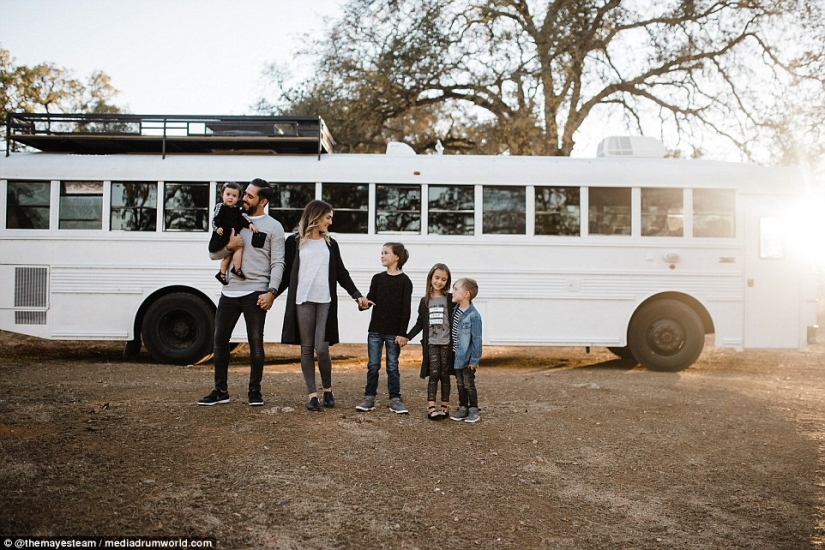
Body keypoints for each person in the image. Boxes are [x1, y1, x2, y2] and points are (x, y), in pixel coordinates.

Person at [198, 179, 285, 407]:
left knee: (256, 342)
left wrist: (272, 292)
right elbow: (213, 255)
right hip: (229, 291)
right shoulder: (229, 218)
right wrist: (231, 246)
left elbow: (278, 263)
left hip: (255, 292)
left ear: (263, 201)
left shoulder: (274, 227)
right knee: (219, 340)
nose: (243, 199)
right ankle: (221, 391)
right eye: (243, 194)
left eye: (249, 196)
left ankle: (254, 392)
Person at [277, 200, 368, 412]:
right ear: (316, 217)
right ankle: (312, 395)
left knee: (322, 347)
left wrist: (357, 295)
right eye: (328, 217)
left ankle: (327, 389)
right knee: (307, 349)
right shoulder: (295, 242)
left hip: (325, 300)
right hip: (303, 300)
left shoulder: (330, 244)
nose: (330, 221)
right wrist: (271, 293)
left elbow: (341, 273)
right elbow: (285, 274)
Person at [356, 243, 413, 414]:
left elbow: (406, 310)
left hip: (394, 333)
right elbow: (369, 301)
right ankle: (369, 398)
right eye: (381, 253)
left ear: (397, 257)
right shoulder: (377, 278)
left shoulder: (405, 282)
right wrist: (363, 304)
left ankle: (395, 399)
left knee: (392, 366)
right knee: (373, 365)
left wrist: (402, 333)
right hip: (375, 330)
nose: (382, 256)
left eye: (386, 253)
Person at [406, 263, 453, 420]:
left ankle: (444, 406)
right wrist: (407, 336)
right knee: (434, 373)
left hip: (447, 343)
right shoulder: (424, 301)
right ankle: (431, 407)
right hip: (431, 343)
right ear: (431, 278)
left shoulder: (451, 299)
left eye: (443, 279)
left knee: (445, 374)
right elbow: (420, 322)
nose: (439, 282)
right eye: (437, 278)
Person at [209, 182, 258, 285]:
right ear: (222, 194)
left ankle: (231, 270)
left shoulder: (236, 210)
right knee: (229, 252)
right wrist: (217, 228)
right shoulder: (220, 207)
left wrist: (250, 224)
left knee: (235, 250)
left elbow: (242, 219)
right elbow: (215, 220)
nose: (230, 198)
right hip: (221, 236)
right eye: (228, 194)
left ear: (238, 198)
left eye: (234, 196)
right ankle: (228, 271)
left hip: (231, 236)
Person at [449, 278, 483, 423]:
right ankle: (463, 407)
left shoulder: (474, 316)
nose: (453, 291)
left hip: (467, 358)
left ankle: (473, 409)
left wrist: (474, 360)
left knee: (469, 383)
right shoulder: (455, 310)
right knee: (460, 383)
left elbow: (477, 340)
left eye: (456, 289)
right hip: (457, 356)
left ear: (466, 294)